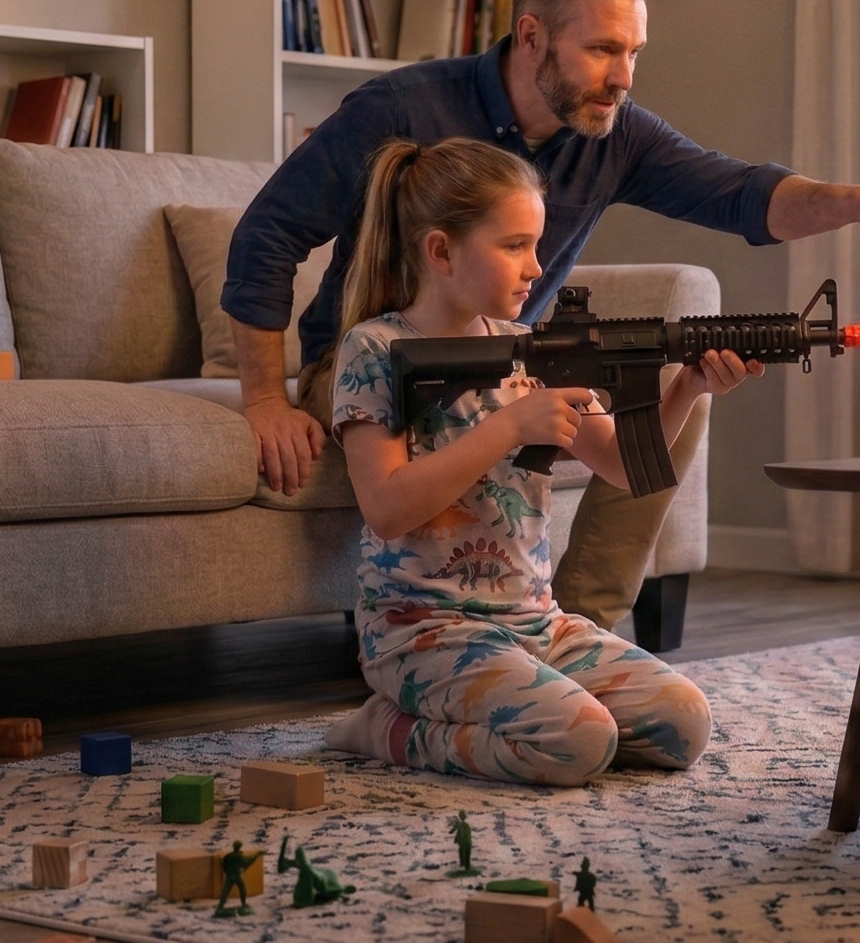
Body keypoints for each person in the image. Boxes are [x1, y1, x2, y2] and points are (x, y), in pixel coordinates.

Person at [223, 0, 860, 635]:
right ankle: (439, 630)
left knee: (669, 389)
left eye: (633, 52)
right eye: (603, 49)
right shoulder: (400, 109)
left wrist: (850, 201)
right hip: (370, 362)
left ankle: (575, 625)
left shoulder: (616, 132)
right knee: (490, 408)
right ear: (532, 36)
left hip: (512, 354)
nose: (624, 76)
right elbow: (267, 233)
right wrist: (264, 399)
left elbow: (738, 194)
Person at [322, 136, 756, 785]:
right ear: (441, 251)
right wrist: (509, 425)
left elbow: (624, 466)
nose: (536, 266)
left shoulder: (531, 348)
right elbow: (386, 508)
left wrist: (688, 388)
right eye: (514, 245)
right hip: (422, 632)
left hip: (538, 626)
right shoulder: (375, 349)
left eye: (537, 245)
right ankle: (384, 727)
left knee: (683, 722)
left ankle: (527, 715)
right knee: (578, 742)